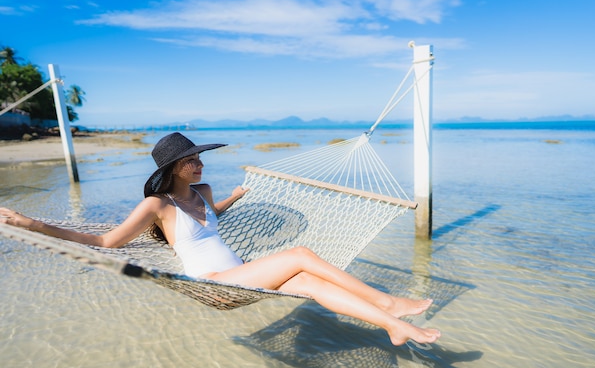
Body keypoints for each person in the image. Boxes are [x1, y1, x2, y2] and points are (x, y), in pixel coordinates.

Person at [0, 132, 441, 346]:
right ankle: (389, 303)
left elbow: (210, 218)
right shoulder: (157, 207)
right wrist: (30, 224)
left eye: (198, 157)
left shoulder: (205, 193)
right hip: (217, 283)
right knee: (301, 254)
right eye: (190, 160)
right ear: (172, 168)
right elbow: (106, 241)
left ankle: (394, 327)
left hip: (240, 275)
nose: (198, 163)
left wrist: (230, 197)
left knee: (312, 284)